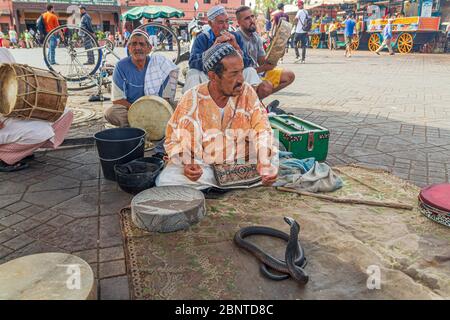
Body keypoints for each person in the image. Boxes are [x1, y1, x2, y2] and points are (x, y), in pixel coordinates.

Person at [156, 43, 278, 190]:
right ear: (213, 76)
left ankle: (222, 184)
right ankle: (236, 182)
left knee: (271, 157)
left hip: (241, 159)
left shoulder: (247, 92)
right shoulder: (191, 98)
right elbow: (174, 138)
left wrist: (263, 160)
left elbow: (262, 128)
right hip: (205, 164)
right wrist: (188, 163)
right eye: (233, 74)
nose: (241, 80)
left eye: (241, 72)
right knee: (166, 179)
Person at [0, 48, 74, 172]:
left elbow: (17, 78)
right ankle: (4, 157)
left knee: (64, 114)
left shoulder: (3, 52)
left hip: (11, 112)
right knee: (41, 131)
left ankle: (22, 150)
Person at [104, 29, 179, 128]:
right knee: (111, 113)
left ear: (149, 48)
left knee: (182, 107)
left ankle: (138, 126)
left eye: (142, 44)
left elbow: (166, 97)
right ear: (129, 48)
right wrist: (139, 112)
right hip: (131, 110)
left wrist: (154, 112)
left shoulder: (159, 64)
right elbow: (117, 100)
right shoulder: (121, 67)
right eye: (134, 44)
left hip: (158, 109)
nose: (137, 47)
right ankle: (143, 124)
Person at [184, 5, 261, 97]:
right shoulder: (202, 38)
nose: (225, 26)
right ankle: (192, 107)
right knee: (192, 73)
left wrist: (236, 47)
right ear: (210, 23)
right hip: (210, 79)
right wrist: (213, 48)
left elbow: (248, 63)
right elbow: (192, 62)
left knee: (250, 71)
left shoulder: (235, 37)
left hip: (232, 78)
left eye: (227, 22)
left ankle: (248, 106)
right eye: (220, 22)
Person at [236, 6, 295, 110]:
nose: (252, 20)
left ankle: (256, 99)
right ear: (239, 22)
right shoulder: (236, 38)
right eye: (247, 18)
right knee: (266, 87)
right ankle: (249, 106)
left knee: (289, 76)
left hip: (258, 72)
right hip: (243, 76)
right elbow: (240, 71)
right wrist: (265, 68)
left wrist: (276, 53)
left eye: (252, 16)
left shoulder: (256, 37)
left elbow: (262, 61)